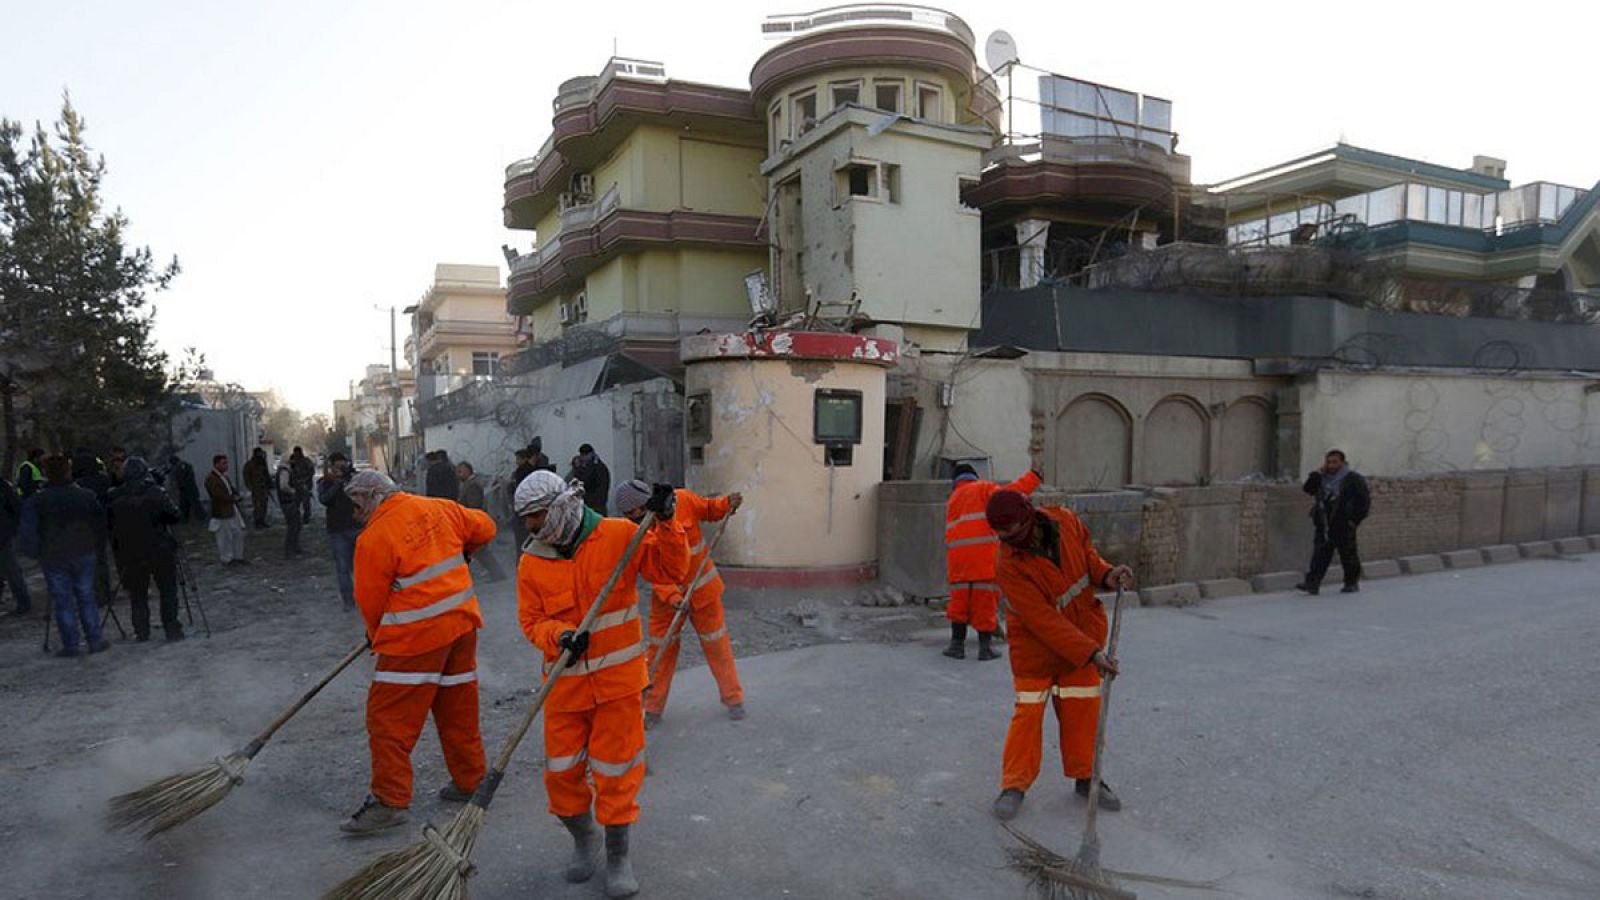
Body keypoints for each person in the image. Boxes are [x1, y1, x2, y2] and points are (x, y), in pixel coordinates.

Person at [514, 471, 687, 899]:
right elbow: (531, 620)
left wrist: (666, 521)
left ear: (559, 506)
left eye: (536, 517)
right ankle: (583, 838)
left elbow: (670, 568)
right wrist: (558, 637)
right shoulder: (533, 559)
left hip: (618, 685)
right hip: (565, 688)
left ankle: (617, 855)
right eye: (527, 521)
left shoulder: (617, 536)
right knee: (561, 775)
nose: (532, 527)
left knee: (617, 773)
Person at [340, 470, 494, 835]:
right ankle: (471, 781)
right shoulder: (440, 508)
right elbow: (486, 527)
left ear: (374, 495)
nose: (355, 512)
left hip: (415, 639)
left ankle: (389, 801)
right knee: (457, 707)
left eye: (357, 503)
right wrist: (464, 551)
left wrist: (378, 637)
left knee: (387, 718)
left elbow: (371, 601)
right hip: (460, 627)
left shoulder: (374, 538)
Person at [984, 489, 1134, 822]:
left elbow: (1088, 559)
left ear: (1028, 518)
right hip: (1037, 651)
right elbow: (1044, 621)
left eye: (1010, 532)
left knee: (1083, 709)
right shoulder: (1008, 564)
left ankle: (1087, 778)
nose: (1007, 540)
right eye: (1001, 535)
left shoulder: (1065, 521)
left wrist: (1107, 574)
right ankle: (1014, 786)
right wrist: (1092, 653)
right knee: (1028, 715)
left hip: (1083, 640)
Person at [613, 478, 746, 728]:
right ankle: (652, 709)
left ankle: (734, 699)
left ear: (645, 503)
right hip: (667, 601)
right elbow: (652, 569)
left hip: (703, 591)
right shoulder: (636, 531)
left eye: (635, 512)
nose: (632, 518)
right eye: (627, 515)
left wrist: (726, 504)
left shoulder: (682, 500)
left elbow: (708, 509)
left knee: (717, 645)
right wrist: (674, 597)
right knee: (659, 652)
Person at [942, 462, 1042, 661]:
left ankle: (956, 645)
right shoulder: (984, 489)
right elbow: (1011, 495)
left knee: (960, 601)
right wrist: (1034, 477)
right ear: (974, 477)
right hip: (984, 557)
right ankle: (984, 648)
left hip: (958, 560)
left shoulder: (952, 499)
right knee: (984, 601)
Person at [18, 455, 109, 657]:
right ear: (68, 471)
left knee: (63, 600)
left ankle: (71, 644)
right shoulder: (85, 496)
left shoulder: (38, 500)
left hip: (53, 555)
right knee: (86, 596)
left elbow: (28, 530)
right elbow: (100, 523)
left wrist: (33, 551)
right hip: (83, 550)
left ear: (46, 473)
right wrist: (97, 545)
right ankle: (95, 640)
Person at [106, 457, 185, 642]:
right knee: (168, 590)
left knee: (138, 594)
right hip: (160, 549)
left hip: (131, 552)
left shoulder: (114, 496)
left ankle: (142, 631)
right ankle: (172, 629)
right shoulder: (155, 492)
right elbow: (175, 515)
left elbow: (110, 524)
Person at [1296, 449, 1371, 596]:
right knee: (1319, 554)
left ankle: (1351, 583)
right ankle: (1312, 584)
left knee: (1348, 554)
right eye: (1328, 462)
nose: (1331, 465)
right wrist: (1317, 474)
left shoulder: (1352, 479)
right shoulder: (1322, 478)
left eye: (1334, 462)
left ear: (1342, 462)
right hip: (1324, 522)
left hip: (1343, 523)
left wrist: (1353, 521)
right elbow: (1308, 489)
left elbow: (1364, 502)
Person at [318, 453, 360, 611]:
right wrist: (337, 483)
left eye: (344, 466)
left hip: (357, 526)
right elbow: (324, 499)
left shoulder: (354, 478)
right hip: (337, 530)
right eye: (338, 467)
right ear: (331, 467)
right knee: (342, 568)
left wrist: (351, 478)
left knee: (362, 566)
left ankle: (366, 597)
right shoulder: (326, 482)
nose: (341, 469)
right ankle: (348, 601)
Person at [455, 461, 507, 583]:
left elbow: (474, 505)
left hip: (473, 522)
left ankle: (497, 573)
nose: (458, 475)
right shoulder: (468, 484)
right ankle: (496, 573)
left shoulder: (472, 486)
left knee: (480, 551)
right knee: (475, 551)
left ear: (468, 471)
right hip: (472, 521)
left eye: (460, 471)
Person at [1, 472, 35, 616]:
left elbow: (16, 507)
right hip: (5, 533)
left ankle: (23, 602)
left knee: (11, 570)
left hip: (3, 535)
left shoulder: (2, 486)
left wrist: (10, 528)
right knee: (9, 569)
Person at [205, 455, 248, 565]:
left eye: (226, 463)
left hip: (231, 509)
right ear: (216, 464)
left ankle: (238, 556)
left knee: (238, 532)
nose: (226, 466)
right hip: (221, 511)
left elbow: (230, 489)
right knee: (224, 536)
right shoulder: (211, 479)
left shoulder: (224, 477)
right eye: (223, 463)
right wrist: (233, 498)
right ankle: (227, 558)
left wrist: (237, 495)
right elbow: (218, 495)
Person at [508, 448, 537, 558]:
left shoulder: (523, 472)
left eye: (518, 459)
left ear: (524, 459)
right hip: (524, 510)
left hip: (522, 510)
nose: (516, 461)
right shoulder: (525, 471)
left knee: (522, 540)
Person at [570, 444, 611, 516]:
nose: (583, 458)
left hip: (594, 506)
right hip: (595, 505)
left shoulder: (596, 468)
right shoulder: (598, 466)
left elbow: (584, 482)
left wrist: (578, 469)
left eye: (584, 455)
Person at [275, 456, 304, 558]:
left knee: (296, 525)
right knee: (293, 526)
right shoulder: (284, 471)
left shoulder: (285, 470)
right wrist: (293, 491)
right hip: (288, 502)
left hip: (288, 502)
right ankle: (290, 551)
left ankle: (294, 548)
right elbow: (284, 486)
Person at [242, 447, 272, 528]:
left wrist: (269, 484)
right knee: (257, 506)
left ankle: (262, 521)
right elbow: (246, 476)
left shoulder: (262, 463)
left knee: (264, 505)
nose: (261, 455)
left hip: (264, 488)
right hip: (256, 489)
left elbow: (267, 474)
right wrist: (250, 487)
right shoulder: (250, 464)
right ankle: (257, 522)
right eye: (259, 453)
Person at [167, 455, 202, 522]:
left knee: (194, 504)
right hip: (185, 489)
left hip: (189, 488)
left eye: (172, 462)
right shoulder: (181, 466)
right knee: (184, 505)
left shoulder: (182, 465)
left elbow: (188, 476)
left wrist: (183, 484)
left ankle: (200, 517)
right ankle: (185, 519)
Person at [289, 446, 316, 525]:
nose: (296, 454)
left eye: (297, 452)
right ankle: (295, 518)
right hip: (296, 485)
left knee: (305, 503)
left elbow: (312, 471)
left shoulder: (306, 461)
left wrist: (306, 480)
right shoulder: (293, 461)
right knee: (295, 503)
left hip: (305, 485)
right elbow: (291, 471)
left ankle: (306, 517)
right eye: (295, 452)